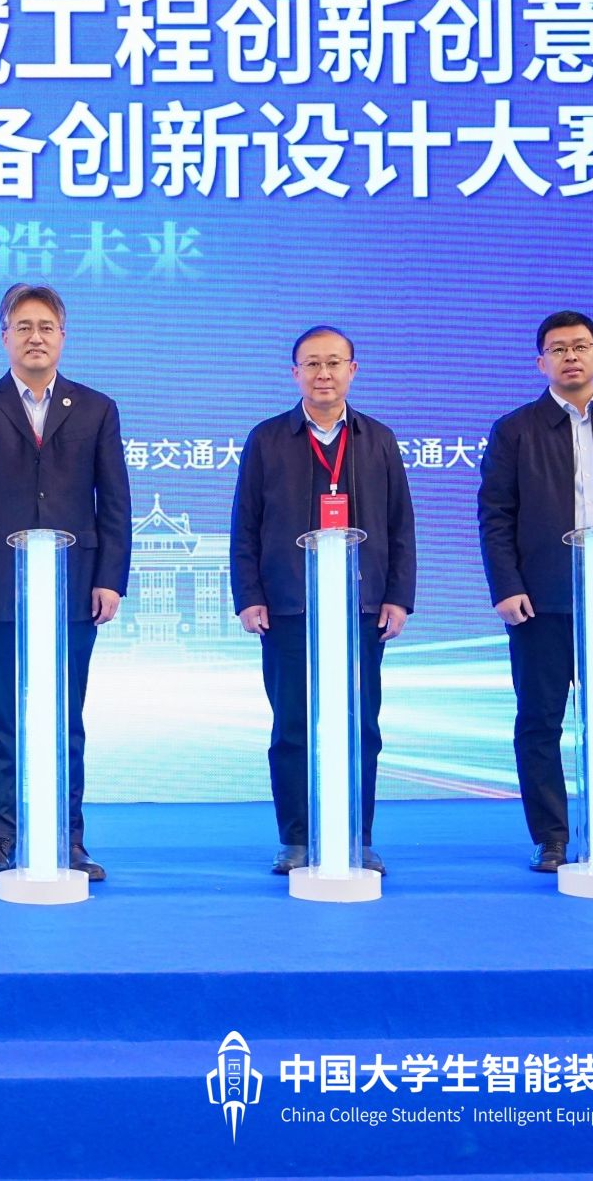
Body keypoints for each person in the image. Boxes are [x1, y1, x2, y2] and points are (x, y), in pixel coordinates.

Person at [0, 283, 131, 883]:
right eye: (23, 326)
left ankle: (66, 836)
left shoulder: (96, 409)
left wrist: (110, 578)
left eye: (46, 326)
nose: (35, 337)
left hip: (74, 588)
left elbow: (114, 502)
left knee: (64, 717)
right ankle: (1, 838)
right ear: (5, 338)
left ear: (63, 336)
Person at [478, 311, 593, 873]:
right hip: (540, 600)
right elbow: (495, 516)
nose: (570, 357)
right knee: (540, 721)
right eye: (558, 349)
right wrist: (507, 586)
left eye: (580, 347)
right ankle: (552, 838)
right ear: (541, 362)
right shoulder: (515, 430)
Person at [230, 326, 415, 877]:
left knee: (361, 726)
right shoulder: (267, 439)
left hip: (361, 607)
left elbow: (400, 524)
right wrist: (249, 595)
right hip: (289, 607)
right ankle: (296, 837)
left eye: (334, 363)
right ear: (295, 374)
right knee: (292, 726)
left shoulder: (377, 439)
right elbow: (245, 525)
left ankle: (357, 834)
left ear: (352, 370)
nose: (323, 373)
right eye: (312, 364)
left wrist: (398, 596)